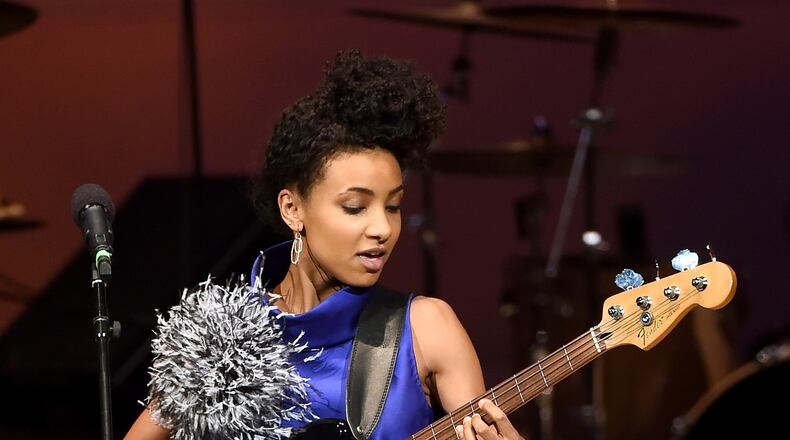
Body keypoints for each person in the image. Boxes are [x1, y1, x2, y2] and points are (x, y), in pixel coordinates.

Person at [125, 49, 524, 440]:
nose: (382, 228)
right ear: (293, 209)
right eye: (355, 207)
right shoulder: (221, 340)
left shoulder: (426, 328)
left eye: (393, 206)